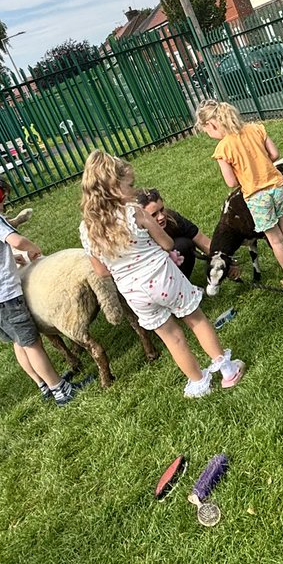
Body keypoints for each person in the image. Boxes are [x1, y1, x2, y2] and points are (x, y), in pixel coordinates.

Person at [79, 150, 244, 399]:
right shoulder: (135, 213)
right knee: (196, 319)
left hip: (134, 294)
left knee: (171, 337)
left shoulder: (87, 228)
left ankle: (198, 382)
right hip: (163, 278)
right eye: (130, 185)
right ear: (113, 186)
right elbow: (167, 243)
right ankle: (228, 371)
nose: (134, 191)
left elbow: (101, 271)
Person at [0, 171, 86, 406]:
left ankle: (42, 384)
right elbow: (16, 241)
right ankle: (60, 390)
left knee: (18, 342)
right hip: (4, 295)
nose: (3, 206)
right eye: (2, 199)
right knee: (32, 343)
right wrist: (32, 248)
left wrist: (9, 259)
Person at [195, 99, 283, 289]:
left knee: (276, 240)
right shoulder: (256, 128)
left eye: (207, 131)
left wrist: (247, 176)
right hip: (277, 187)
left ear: (212, 124)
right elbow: (274, 154)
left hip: (257, 197)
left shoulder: (223, 149)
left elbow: (231, 182)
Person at [137, 187, 211, 280]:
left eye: (162, 209)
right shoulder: (137, 235)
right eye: (154, 215)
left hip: (170, 263)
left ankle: (183, 283)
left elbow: (201, 240)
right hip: (149, 275)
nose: (161, 217)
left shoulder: (172, 218)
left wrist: (222, 258)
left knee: (184, 245)